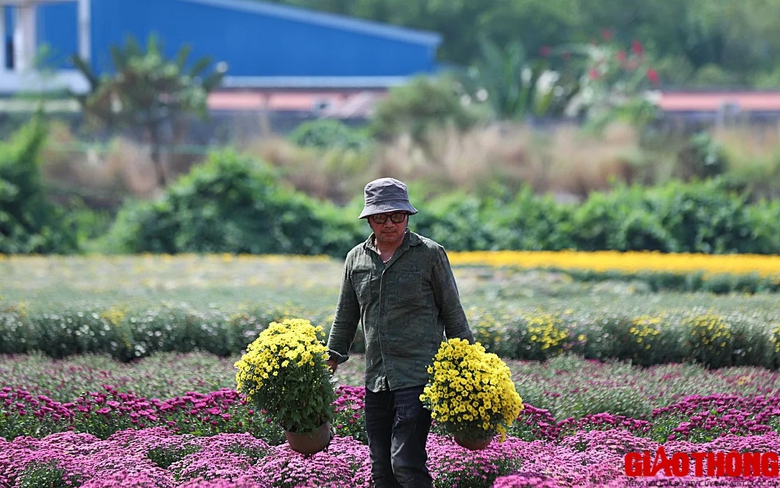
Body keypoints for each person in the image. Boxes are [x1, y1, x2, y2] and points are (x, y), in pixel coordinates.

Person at [326, 177, 474, 488]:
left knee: (405, 463)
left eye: (397, 216)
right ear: (369, 219)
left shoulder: (429, 254)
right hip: (377, 378)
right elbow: (346, 315)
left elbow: (452, 312)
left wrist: (470, 364)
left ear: (407, 216)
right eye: (381, 217)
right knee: (382, 471)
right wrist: (331, 358)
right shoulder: (356, 259)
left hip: (418, 376)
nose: (390, 224)